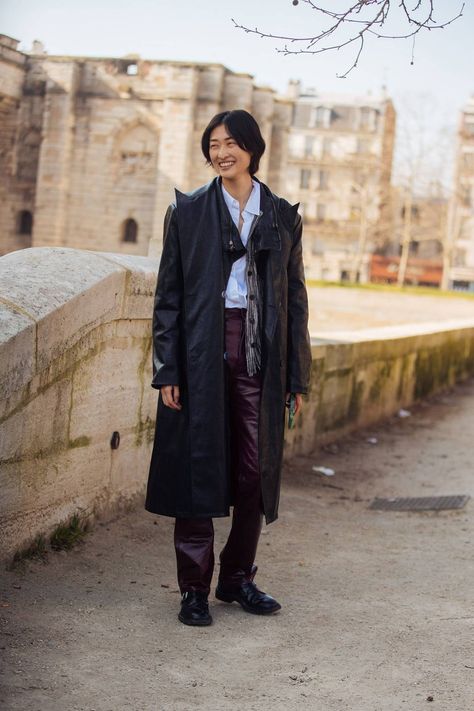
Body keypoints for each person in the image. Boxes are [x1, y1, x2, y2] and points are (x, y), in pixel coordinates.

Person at [145, 109, 312, 626]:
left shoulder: (282, 215)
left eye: (231, 143)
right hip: (200, 352)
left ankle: (237, 578)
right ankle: (193, 588)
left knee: (252, 471)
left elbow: (296, 299)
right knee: (198, 466)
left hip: (261, 355)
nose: (221, 153)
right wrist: (169, 368)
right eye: (213, 144)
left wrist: (297, 376)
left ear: (252, 149)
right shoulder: (189, 212)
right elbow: (168, 296)